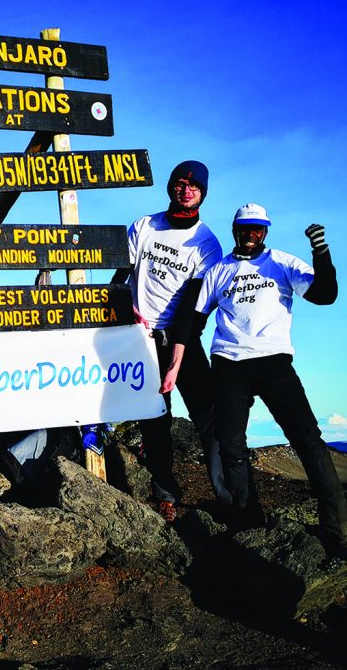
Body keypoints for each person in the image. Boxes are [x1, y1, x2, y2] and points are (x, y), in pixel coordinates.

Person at [171, 203, 347, 563]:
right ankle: (248, 523)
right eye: (245, 228)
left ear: (266, 231)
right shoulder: (219, 271)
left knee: (308, 441)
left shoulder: (282, 262)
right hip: (229, 365)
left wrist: (321, 252)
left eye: (257, 229)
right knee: (230, 444)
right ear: (235, 230)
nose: (251, 234)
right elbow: (193, 320)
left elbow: (326, 294)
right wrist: (178, 359)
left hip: (275, 363)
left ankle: (339, 533)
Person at [115, 160, 231, 522]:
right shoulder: (144, 226)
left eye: (193, 186)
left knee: (210, 416)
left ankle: (228, 495)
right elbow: (120, 276)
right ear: (171, 187)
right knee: (155, 419)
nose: (185, 190)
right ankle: (165, 493)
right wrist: (125, 311)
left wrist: (177, 355)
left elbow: (194, 305)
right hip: (140, 336)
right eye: (180, 183)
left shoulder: (206, 244)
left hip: (182, 337)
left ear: (203, 194)